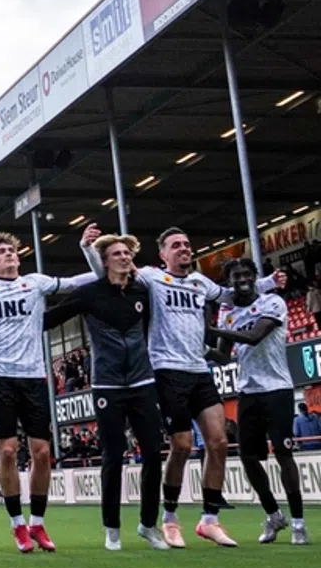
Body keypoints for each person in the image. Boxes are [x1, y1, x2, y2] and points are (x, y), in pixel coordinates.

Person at [78, 222, 279, 547]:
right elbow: (112, 270)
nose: (184, 248)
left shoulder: (201, 282)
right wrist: (89, 250)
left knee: (218, 442)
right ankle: (169, 519)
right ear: (162, 254)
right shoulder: (152, 278)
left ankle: (210, 519)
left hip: (199, 370)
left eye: (186, 244)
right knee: (182, 445)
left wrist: (268, 283)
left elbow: (232, 295)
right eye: (176, 245)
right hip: (166, 370)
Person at [0, 233, 93, 554]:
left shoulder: (36, 282)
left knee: (42, 453)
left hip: (33, 376)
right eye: (2, 252)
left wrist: (97, 258)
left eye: (13, 251)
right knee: (7, 452)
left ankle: (38, 523)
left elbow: (76, 283)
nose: (10, 255)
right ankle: (17, 524)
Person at [44, 234, 167, 551]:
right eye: (117, 253)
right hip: (107, 384)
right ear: (104, 260)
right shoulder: (89, 294)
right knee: (114, 457)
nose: (125, 257)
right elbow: (48, 319)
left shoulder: (143, 290)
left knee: (153, 453)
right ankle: (112, 528)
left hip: (142, 381)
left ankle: (148, 525)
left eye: (128, 252)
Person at [211, 259, 308, 545]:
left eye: (245, 274)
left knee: (282, 452)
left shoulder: (272, 303)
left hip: (277, 388)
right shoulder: (227, 314)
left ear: (255, 277)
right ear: (229, 282)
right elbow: (223, 355)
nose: (241, 279)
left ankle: (299, 522)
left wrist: (211, 330)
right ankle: (274, 514)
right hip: (248, 391)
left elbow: (254, 337)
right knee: (248, 457)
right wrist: (197, 349)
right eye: (234, 275)